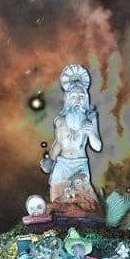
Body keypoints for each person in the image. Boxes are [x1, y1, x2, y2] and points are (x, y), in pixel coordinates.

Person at [40, 64, 103, 212]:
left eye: (81, 97)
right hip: (62, 165)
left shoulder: (90, 118)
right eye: (74, 97)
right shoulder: (60, 120)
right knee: (59, 201)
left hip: (80, 164)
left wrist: (91, 133)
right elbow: (58, 144)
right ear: (67, 99)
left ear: (85, 99)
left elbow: (97, 146)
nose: (77, 100)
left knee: (84, 201)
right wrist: (50, 161)